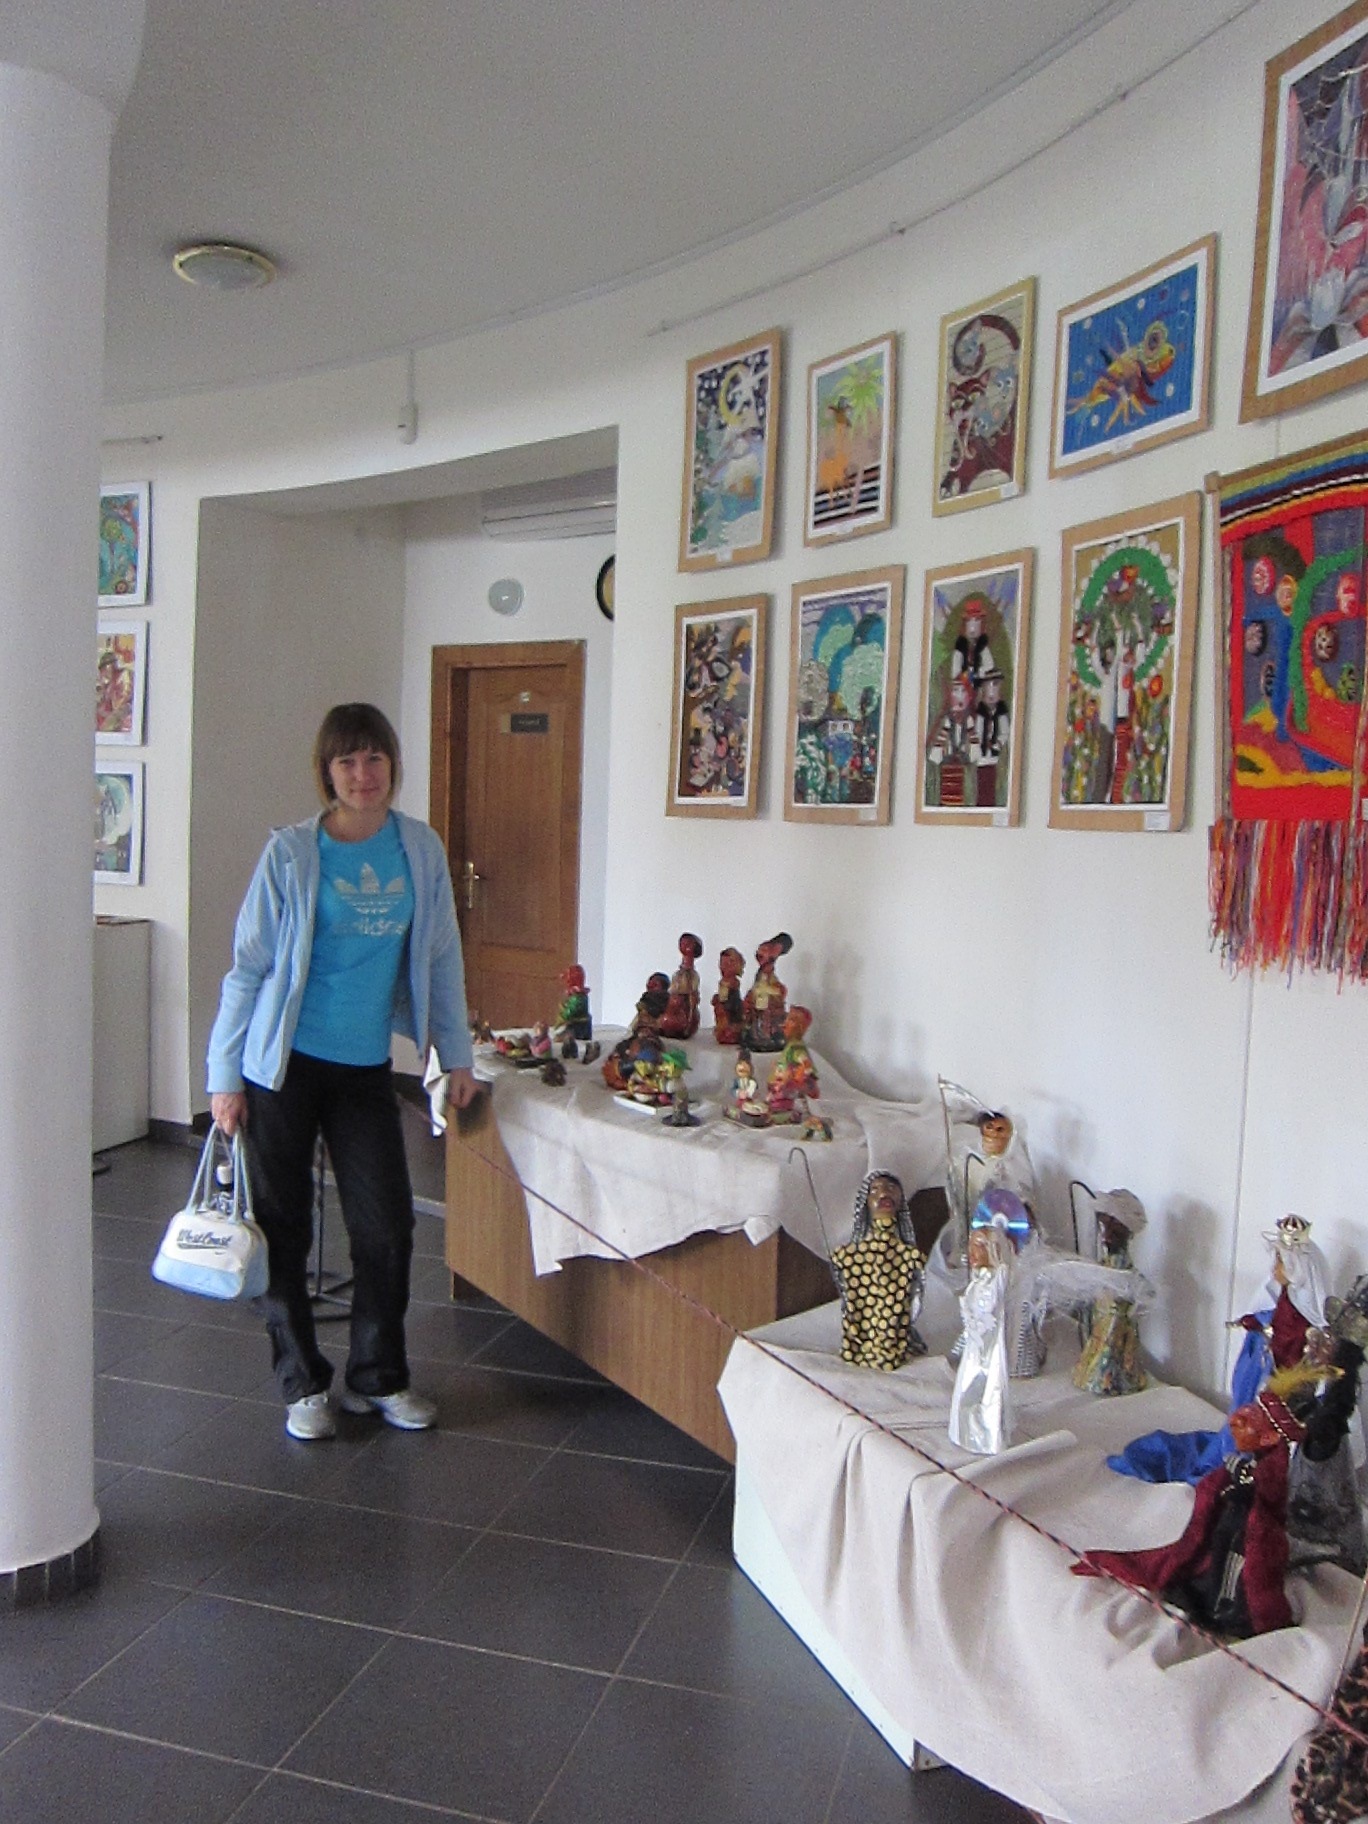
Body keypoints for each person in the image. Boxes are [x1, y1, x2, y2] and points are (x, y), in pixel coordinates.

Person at [206, 703, 479, 1441]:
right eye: (347, 761)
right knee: (283, 1228)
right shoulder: (292, 853)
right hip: (282, 1068)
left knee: (386, 1226)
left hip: (363, 1070)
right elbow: (247, 969)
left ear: (393, 765)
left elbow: (442, 957)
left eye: (375, 758)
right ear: (327, 773)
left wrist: (456, 1055)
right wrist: (223, 1075)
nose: (363, 774)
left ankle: (377, 1377)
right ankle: (301, 1383)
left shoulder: (418, 849)